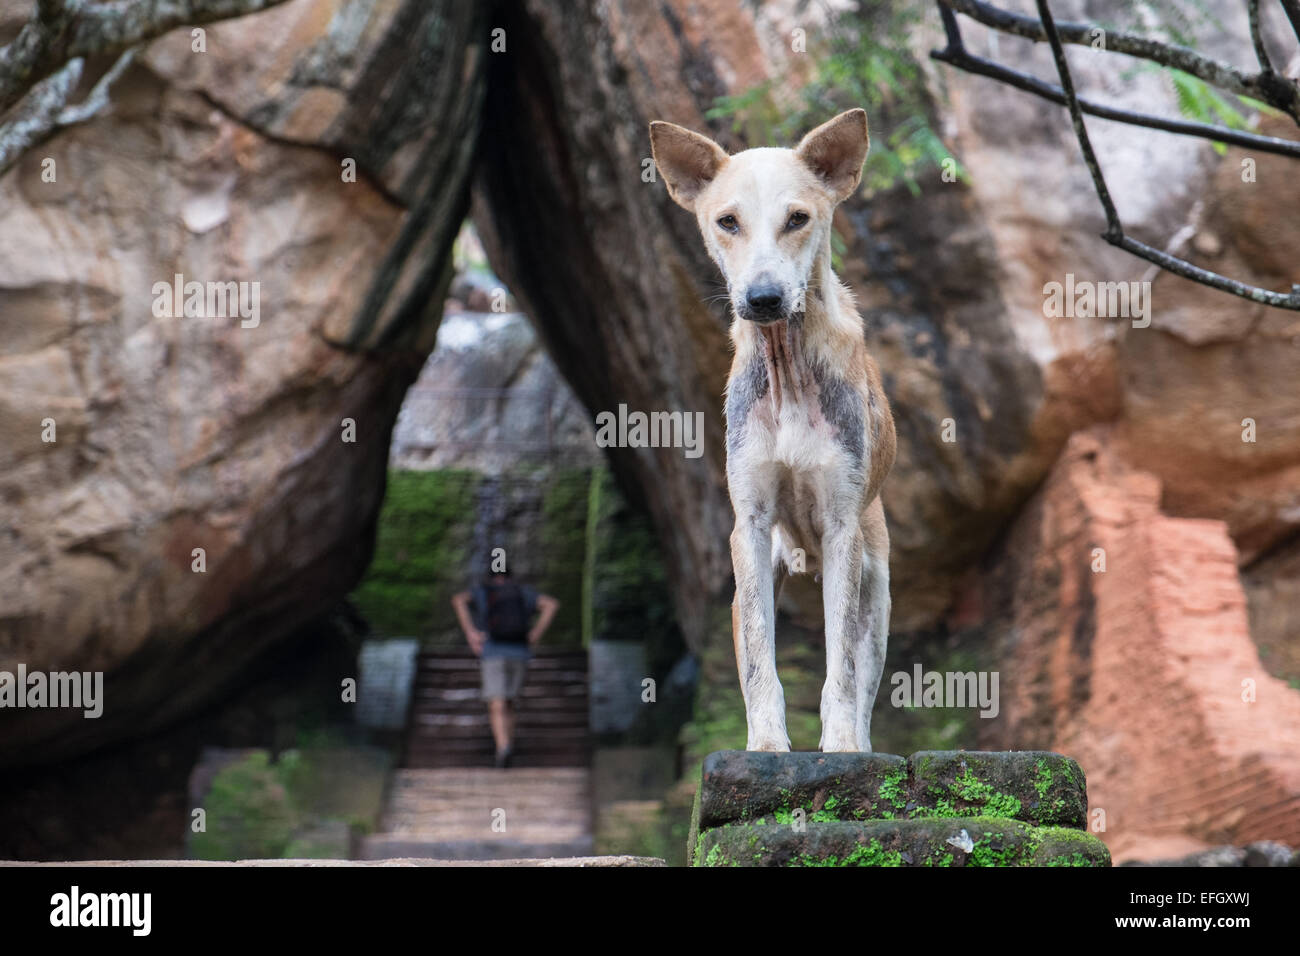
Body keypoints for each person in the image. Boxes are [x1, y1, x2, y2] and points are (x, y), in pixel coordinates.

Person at [451, 566, 559, 768]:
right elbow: (551, 604)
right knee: (509, 701)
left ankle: (503, 747)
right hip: (519, 652)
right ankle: (507, 744)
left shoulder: (483, 591)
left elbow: (457, 600)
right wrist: (535, 634)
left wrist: (471, 633)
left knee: (497, 702)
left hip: (493, 653)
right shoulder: (522, 591)